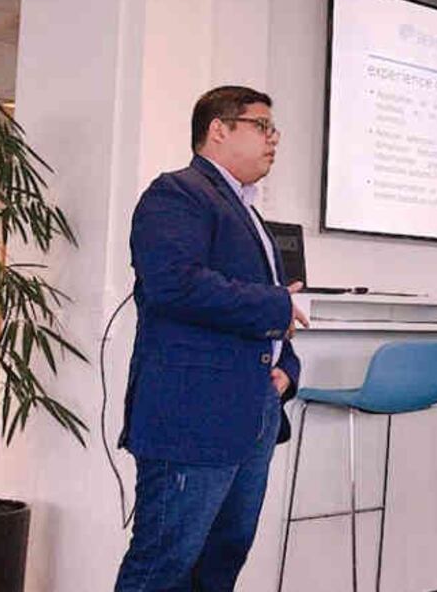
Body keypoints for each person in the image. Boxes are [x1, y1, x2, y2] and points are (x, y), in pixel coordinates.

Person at [115, 85, 308, 592]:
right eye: (262, 126)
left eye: (274, 129)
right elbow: (174, 285)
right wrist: (277, 307)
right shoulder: (177, 193)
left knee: (221, 562)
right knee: (163, 565)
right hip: (193, 415)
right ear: (218, 129)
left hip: (253, 410)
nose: (274, 139)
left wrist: (287, 370)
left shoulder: (249, 212)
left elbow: (275, 303)